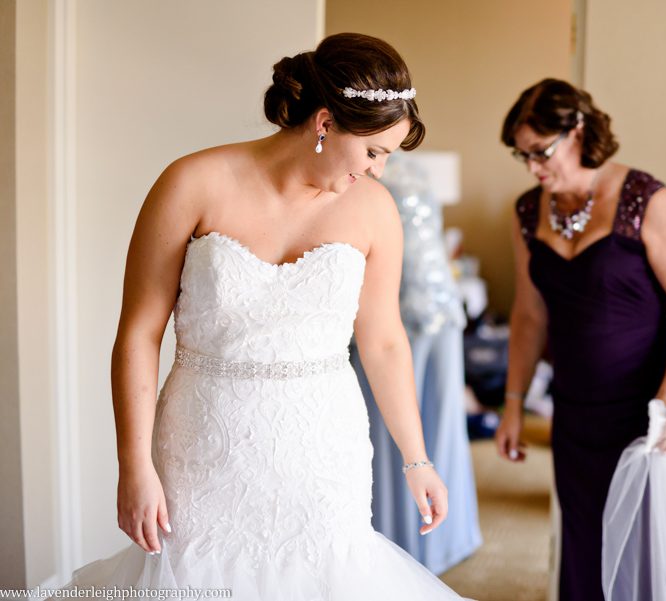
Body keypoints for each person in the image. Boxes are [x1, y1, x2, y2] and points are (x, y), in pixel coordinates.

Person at [57, 33, 470, 600]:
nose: (377, 170)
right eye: (373, 152)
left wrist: (417, 458)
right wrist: (133, 463)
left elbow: (385, 342)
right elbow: (138, 332)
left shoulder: (375, 210)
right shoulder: (192, 182)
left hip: (324, 448)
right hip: (201, 446)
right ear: (325, 122)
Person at [494, 78, 666, 601]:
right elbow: (528, 316)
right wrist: (513, 402)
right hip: (575, 412)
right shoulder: (528, 213)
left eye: (540, 152)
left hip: (650, 409)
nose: (532, 168)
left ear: (578, 131)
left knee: (648, 552)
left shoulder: (644, 198)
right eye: (520, 156)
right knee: (586, 545)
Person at [351, 155, 482, 574]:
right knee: (386, 424)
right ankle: (397, 531)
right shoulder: (354, 171)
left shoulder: (383, 173)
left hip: (423, 316)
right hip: (400, 313)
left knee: (431, 422)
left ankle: (434, 531)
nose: (381, 157)